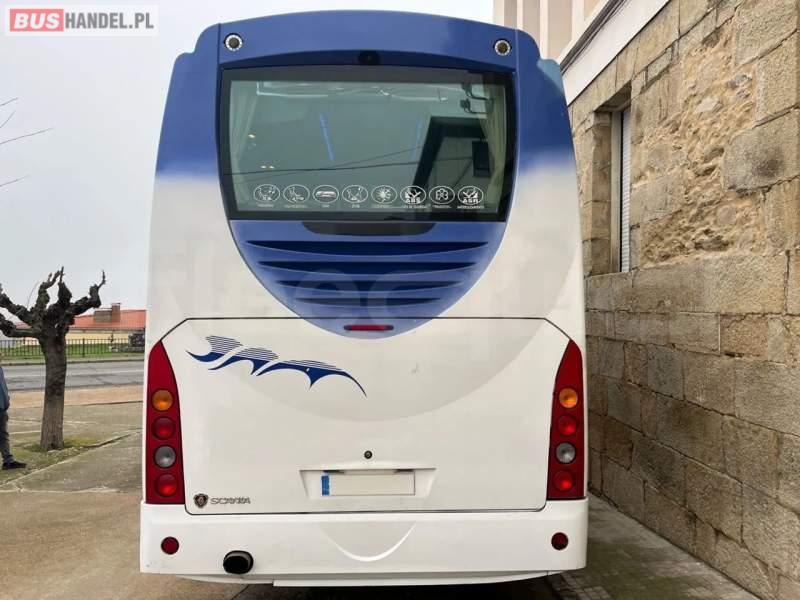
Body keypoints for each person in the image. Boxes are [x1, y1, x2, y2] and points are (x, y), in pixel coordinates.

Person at [0, 356, 26, 470]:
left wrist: (6, 400)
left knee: (3, 435)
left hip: (2, 407)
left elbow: (3, 387)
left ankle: (8, 461)